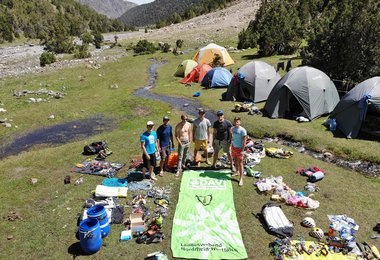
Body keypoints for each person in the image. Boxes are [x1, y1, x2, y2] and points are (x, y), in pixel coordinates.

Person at [230, 117, 247, 186]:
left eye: (238, 122)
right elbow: (232, 137)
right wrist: (231, 145)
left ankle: (241, 179)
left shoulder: (243, 130)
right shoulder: (232, 129)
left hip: (240, 149)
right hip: (233, 147)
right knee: (235, 160)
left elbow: (244, 142)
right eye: (235, 122)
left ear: (240, 122)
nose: (236, 123)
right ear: (234, 122)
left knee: (240, 163)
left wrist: (242, 150)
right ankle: (237, 172)